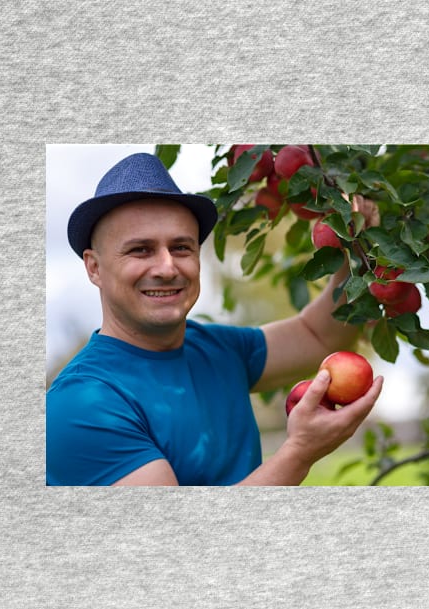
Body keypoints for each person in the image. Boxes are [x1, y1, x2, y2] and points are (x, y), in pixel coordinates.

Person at [46, 152, 383, 486]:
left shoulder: (217, 349)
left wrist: (356, 255)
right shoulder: (80, 403)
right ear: (94, 267)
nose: (167, 268)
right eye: (140, 250)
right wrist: (300, 452)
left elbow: (318, 337)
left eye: (181, 248)